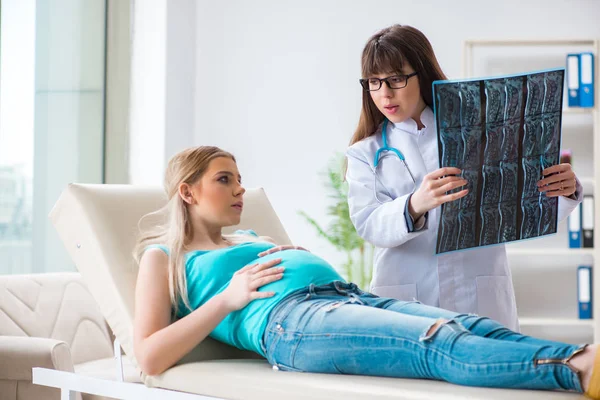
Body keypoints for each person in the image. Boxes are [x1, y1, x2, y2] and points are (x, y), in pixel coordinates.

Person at [133, 145, 599, 397]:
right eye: (224, 179)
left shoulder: (246, 238)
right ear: (188, 192)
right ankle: (575, 369)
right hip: (293, 324)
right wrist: (228, 298)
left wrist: (289, 257)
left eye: (238, 177)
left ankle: (584, 356)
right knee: (435, 340)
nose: (240, 188)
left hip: (342, 297)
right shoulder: (163, 257)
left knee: (468, 324)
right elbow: (149, 357)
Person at [344, 24, 583, 330]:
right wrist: (415, 204)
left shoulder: (485, 132)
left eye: (396, 79)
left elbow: (519, 207)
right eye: (374, 83)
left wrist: (560, 191)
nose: (384, 94)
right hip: (408, 296)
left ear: (422, 72)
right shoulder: (365, 153)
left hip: (480, 294)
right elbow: (368, 223)